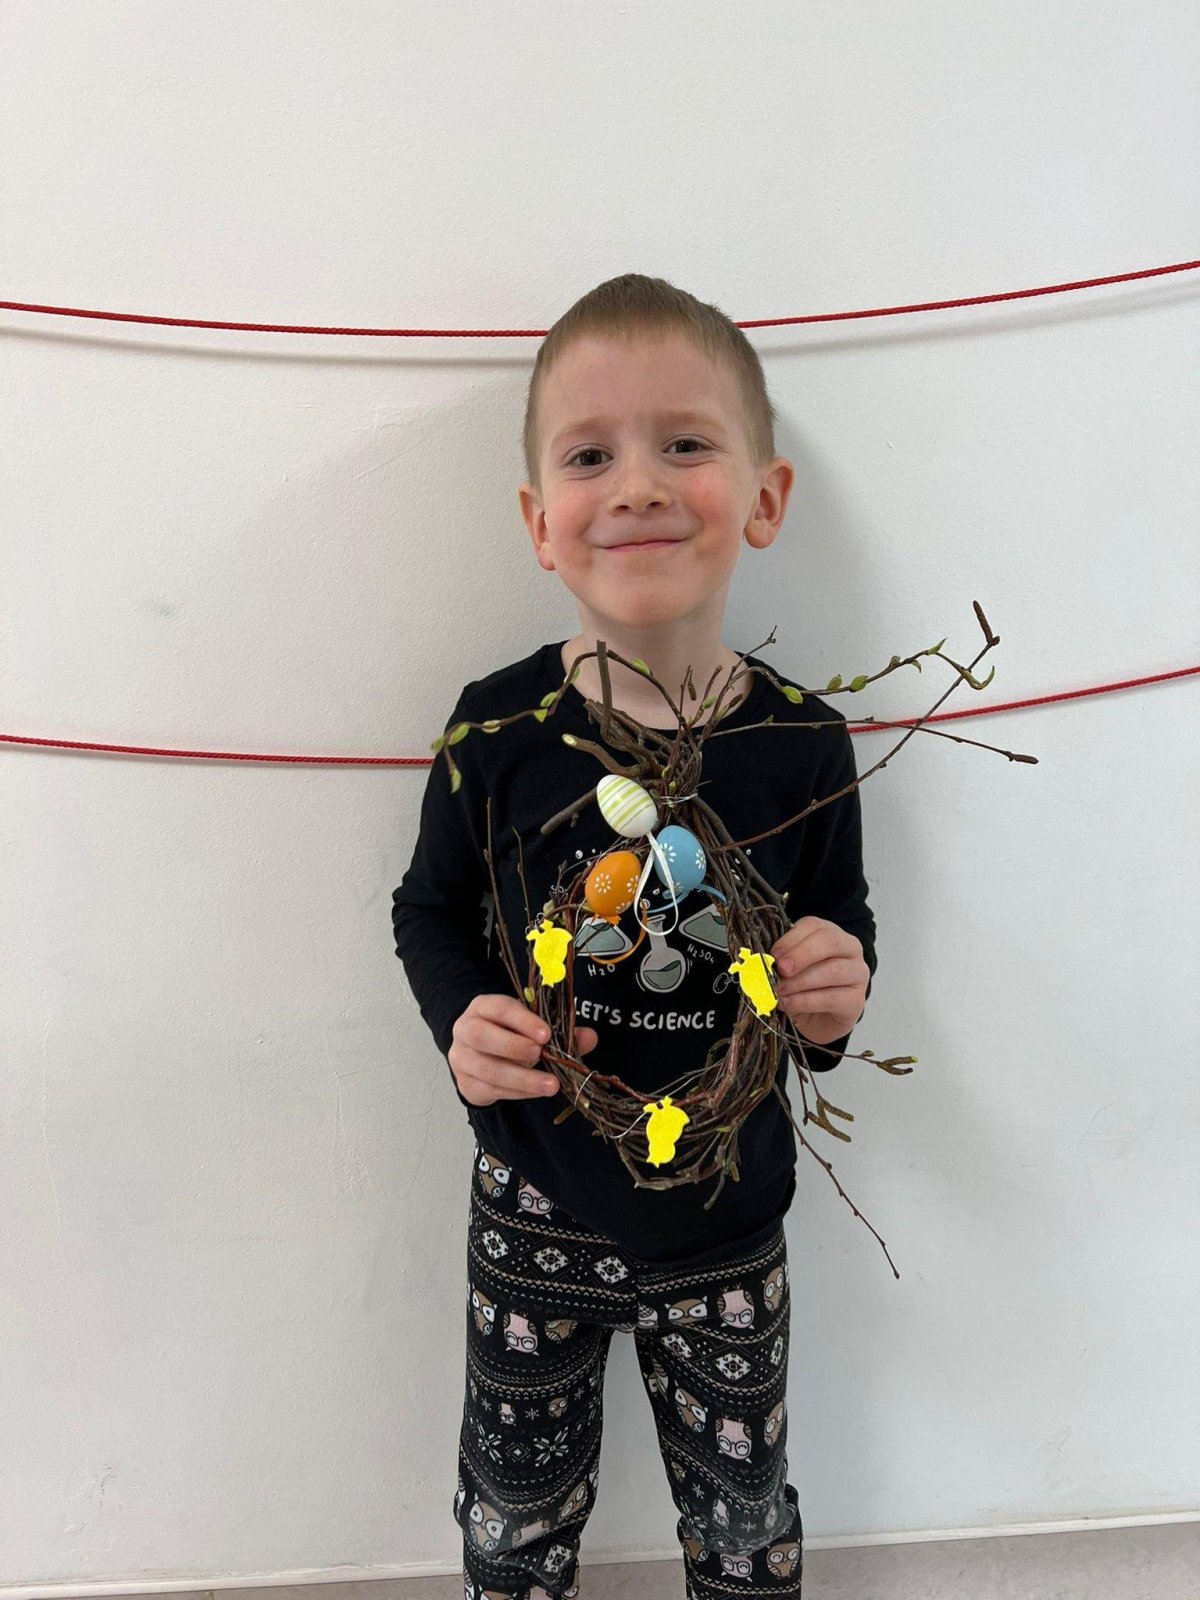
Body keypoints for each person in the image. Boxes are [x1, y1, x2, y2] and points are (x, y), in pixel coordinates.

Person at [391, 273, 877, 1599]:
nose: (641, 486)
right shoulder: (496, 732)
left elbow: (837, 928)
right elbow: (428, 908)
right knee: (515, 1514)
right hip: (533, 1203)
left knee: (744, 1524)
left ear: (764, 499)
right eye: (592, 456)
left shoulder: (802, 745)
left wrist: (834, 998)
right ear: (541, 524)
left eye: (686, 443)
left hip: (727, 1219)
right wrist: (461, 1020)